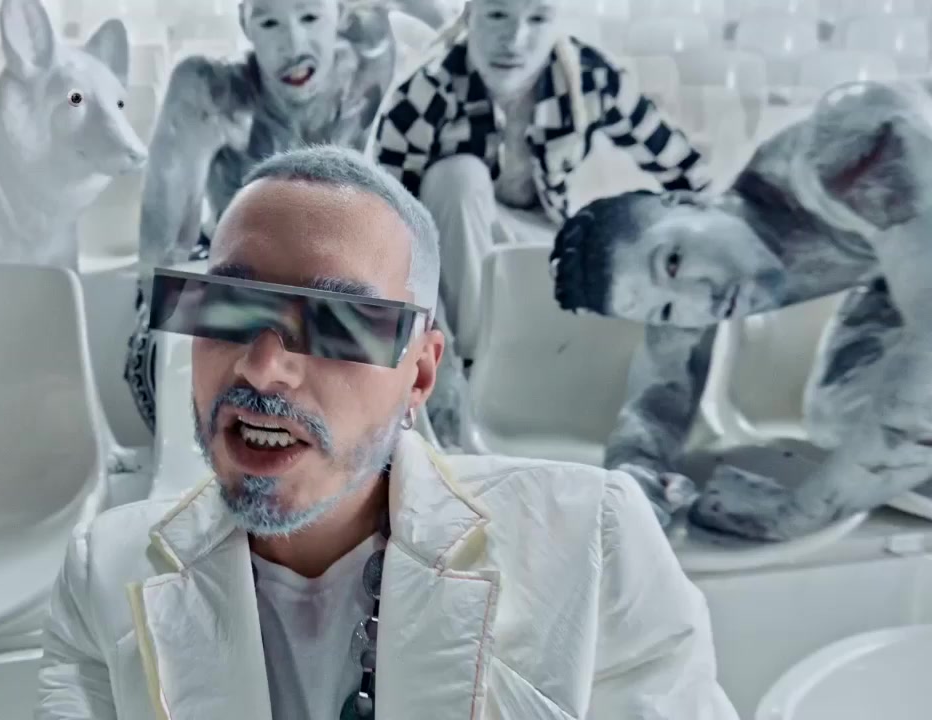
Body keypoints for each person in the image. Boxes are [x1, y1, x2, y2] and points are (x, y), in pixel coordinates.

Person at [37, 146, 736, 719]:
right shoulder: (104, 577)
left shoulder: (590, 543)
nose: (263, 366)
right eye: (227, 307)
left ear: (420, 374)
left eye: (338, 323)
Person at [549, 78, 932, 542]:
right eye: (666, 310)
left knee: (902, 414)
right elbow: (659, 396)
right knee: (843, 415)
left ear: (689, 201)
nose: (699, 299)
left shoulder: (844, 149)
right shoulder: (699, 282)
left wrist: (796, 513)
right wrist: (637, 477)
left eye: (672, 263)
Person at [123, 0, 469, 447]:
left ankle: (447, 449)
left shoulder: (368, 71)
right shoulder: (213, 93)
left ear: (339, 16)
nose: (292, 44)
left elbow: (456, 32)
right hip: (228, 287)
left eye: (309, 18)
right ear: (246, 24)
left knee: (410, 290)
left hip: (328, 301)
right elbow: (161, 266)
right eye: (270, 22)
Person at [372, 0, 709, 361]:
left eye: (537, 18)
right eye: (498, 15)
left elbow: (678, 165)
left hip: (539, 242)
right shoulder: (422, 95)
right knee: (456, 177)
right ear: (470, 15)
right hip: (449, 256)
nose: (515, 40)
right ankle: (471, 355)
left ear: (557, 22)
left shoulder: (589, 76)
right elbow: (384, 222)